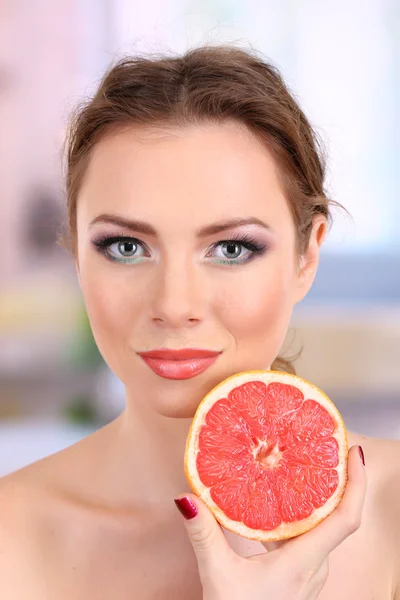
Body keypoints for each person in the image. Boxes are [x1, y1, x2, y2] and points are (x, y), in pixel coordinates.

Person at [0, 44, 398, 599]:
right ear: (75, 255)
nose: (175, 303)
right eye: (126, 246)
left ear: (306, 256)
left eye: (232, 249)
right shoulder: (9, 539)